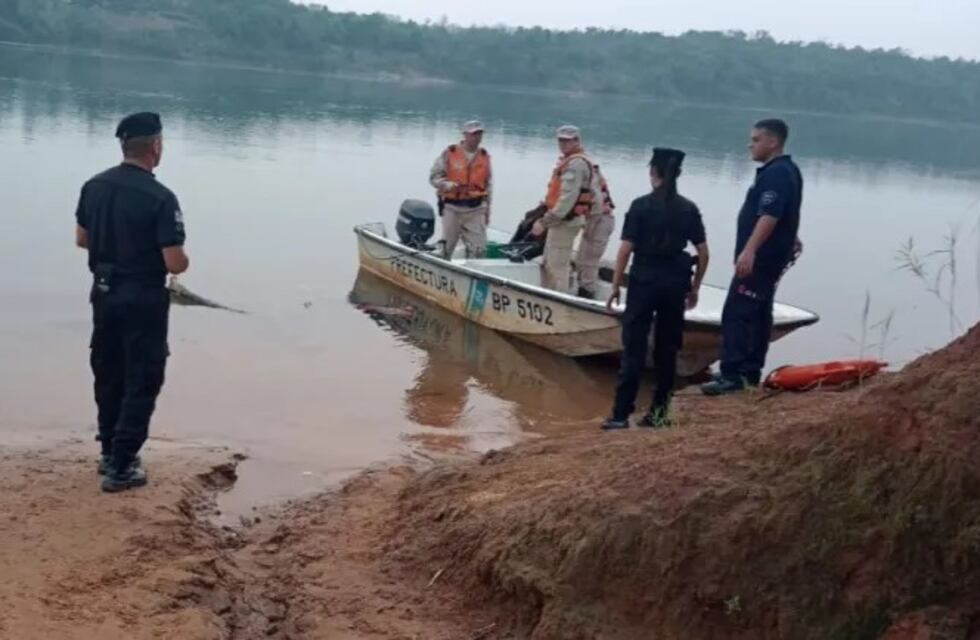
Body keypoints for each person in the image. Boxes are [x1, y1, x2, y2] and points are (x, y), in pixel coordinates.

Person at [74, 112, 190, 492]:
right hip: (143, 296)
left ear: (123, 146)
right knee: (142, 376)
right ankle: (122, 466)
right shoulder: (160, 197)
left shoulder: (94, 186)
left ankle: (109, 450)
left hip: (104, 292)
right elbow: (174, 261)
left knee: (109, 370)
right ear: (155, 147)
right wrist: (183, 262)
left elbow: (82, 239)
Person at [602, 148, 709, 430]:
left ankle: (620, 415)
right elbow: (704, 252)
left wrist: (615, 286)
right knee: (667, 349)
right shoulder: (689, 208)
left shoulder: (641, 206)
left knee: (634, 348)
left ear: (653, 173)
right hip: (675, 282)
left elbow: (626, 249)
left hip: (644, 281)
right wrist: (695, 287)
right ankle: (658, 414)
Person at [701, 118, 803, 396]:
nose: (750, 144)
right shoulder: (788, 170)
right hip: (771, 256)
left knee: (737, 312)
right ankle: (750, 371)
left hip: (761, 259)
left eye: (756, 139)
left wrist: (750, 250)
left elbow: (770, 214)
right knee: (759, 314)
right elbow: (786, 212)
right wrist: (791, 236)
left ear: (773, 142)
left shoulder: (777, 174)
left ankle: (732, 374)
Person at [531, 125, 603, 293]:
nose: (563, 144)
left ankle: (558, 302)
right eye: (561, 140)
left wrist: (544, 221)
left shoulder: (576, 164)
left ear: (577, 141)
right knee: (550, 262)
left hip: (565, 221)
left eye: (567, 140)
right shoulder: (573, 161)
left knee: (557, 267)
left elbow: (566, 201)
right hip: (563, 221)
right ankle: (550, 296)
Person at [429, 120, 492, 258]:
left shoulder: (484, 156)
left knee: (479, 250)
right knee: (446, 248)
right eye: (474, 134)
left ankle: (474, 274)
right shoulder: (450, 153)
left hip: (476, 209)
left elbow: (488, 185)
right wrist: (446, 184)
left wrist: (488, 210)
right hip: (452, 208)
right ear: (465, 135)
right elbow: (433, 177)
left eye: (479, 134)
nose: (477, 137)